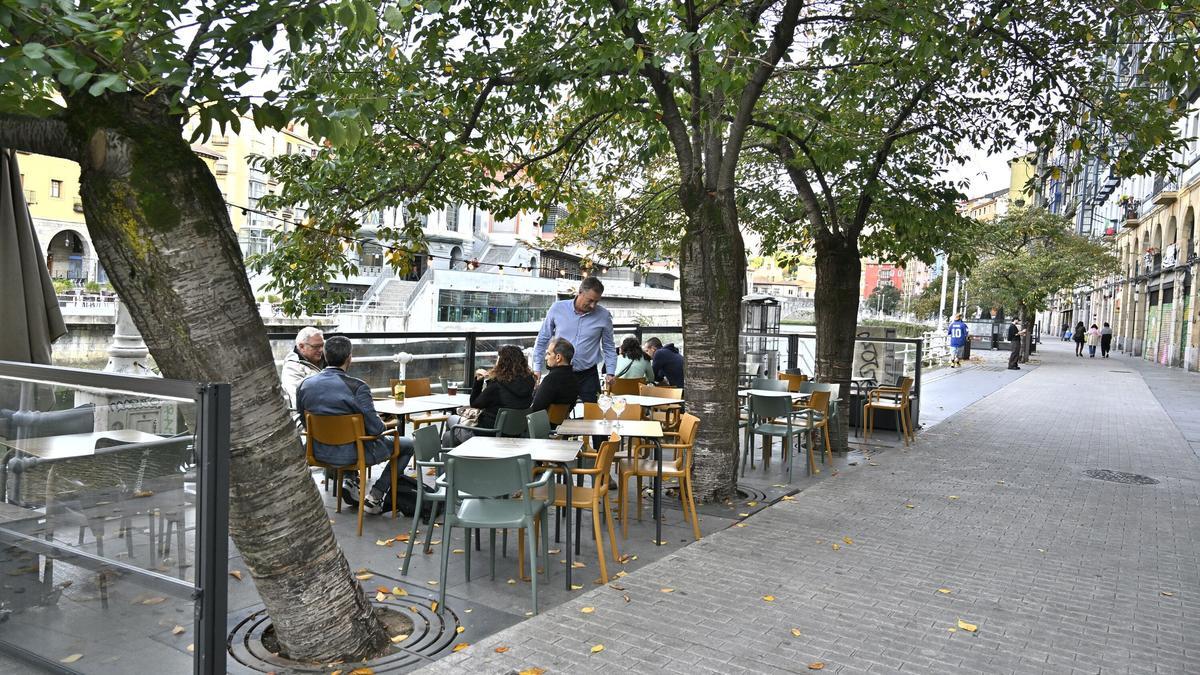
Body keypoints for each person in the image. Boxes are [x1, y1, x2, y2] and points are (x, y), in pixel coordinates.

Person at [296, 336, 414, 515]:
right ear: (349, 357)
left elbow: (305, 422)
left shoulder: (304, 385)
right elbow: (375, 430)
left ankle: (350, 481)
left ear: (325, 356)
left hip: (318, 452)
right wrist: (387, 423)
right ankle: (375, 497)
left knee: (353, 432)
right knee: (407, 445)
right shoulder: (358, 387)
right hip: (352, 454)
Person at [532, 276, 615, 403]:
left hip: (588, 374)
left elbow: (609, 347)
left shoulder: (604, 316)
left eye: (596, 302)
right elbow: (543, 338)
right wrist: (537, 368)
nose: (593, 305)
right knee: (554, 414)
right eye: (590, 300)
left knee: (594, 414)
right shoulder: (557, 308)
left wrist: (610, 372)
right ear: (580, 293)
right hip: (560, 373)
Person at [443, 344, 535, 446]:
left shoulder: (497, 385)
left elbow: (475, 404)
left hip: (486, 435)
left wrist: (478, 381)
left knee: (449, 429)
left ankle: (457, 459)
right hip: (515, 436)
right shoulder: (529, 382)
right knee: (451, 434)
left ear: (501, 362)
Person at [281, 326, 324, 428]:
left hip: (327, 415)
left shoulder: (323, 358)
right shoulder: (292, 368)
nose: (321, 350)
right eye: (316, 346)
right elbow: (300, 402)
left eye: (322, 345)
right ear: (301, 346)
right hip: (307, 422)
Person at [529, 337, 581, 412]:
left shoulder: (551, 380)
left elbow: (535, 408)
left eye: (548, 354)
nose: (546, 358)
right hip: (560, 422)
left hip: (542, 423)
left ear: (558, 357)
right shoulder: (574, 379)